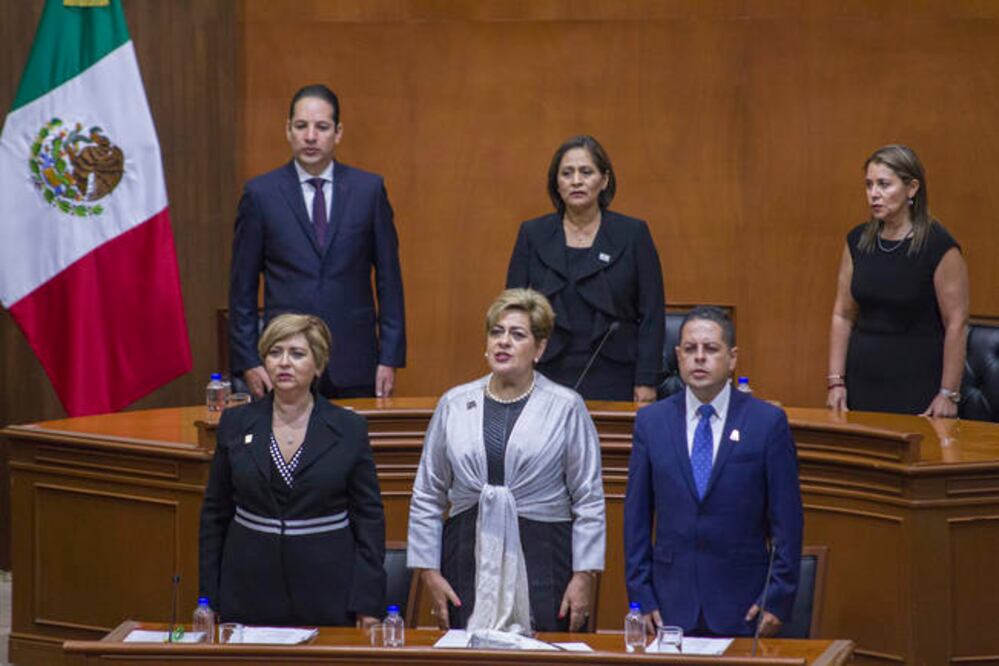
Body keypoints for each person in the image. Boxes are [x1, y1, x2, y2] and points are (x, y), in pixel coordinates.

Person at [407, 289, 606, 633]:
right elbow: (427, 493)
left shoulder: (566, 407)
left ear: (539, 348)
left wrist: (584, 574)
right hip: (466, 552)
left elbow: (589, 498)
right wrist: (428, 571)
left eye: (517, 335)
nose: (503, 342)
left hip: (543, 551)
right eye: (496, 332)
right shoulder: (454, 403)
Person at [624, 306, 802, 637]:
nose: (699, 358)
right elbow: (636, 519)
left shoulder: (766, 424)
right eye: (690, 350)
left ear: (732, 358)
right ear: (678, 356)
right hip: (668, 605)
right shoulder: (652, 423)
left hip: (744, 604)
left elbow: (787, 522)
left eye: (711, 349)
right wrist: (641, 595)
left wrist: (776, 598)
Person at [199, 314, 386, 626]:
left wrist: (367, 604)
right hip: (247, 589)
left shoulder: (349, 428)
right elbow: (214, 515)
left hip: (326, 591)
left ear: (318, 365)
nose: (284, 362)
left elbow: (369, 520)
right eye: (275, 352)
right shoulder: (235, 423)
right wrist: (209, 597)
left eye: (297, 354)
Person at [229, 84, 405, 400]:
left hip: (355, 361)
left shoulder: (369, 191)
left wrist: (389, 357)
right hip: (284, 363)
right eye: (301, 126)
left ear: (337, 133)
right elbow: (241, 288)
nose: (311, 136)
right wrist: (248, 361)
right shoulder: (260, 195)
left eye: (321, 127)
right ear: (288, 130)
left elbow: (390, 282)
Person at [506, 135, 664, 404]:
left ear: (604, 180)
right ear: (557, 184)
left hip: (617, 374)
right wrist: (513, 372)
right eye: (567, 173)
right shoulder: (533, 234)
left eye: (586, 172)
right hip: (545, 373)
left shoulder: (632, 234)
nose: (576, 180)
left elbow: (652, 312)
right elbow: (513, 311)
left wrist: (646, 381)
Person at [827, 144, 969, 417]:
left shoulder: (938, 245)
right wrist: (835, 381)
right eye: (869, 185)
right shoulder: (857, 241)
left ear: (911, 188)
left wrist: (948, 393)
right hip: (861, 382)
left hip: (916, 383)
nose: (874, 194)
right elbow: (843, 315)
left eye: (884, 184)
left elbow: (956, 323)